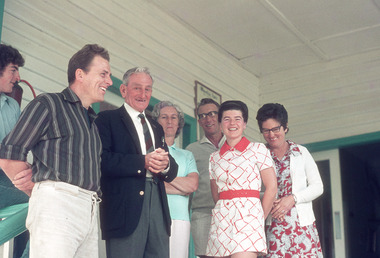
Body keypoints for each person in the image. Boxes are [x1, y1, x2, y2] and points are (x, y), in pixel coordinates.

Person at [0, 44, 112, 258]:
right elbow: (9, 154)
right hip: (57, 205)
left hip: (89, 209)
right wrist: (35, 188)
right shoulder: (49, 103)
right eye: (103, 74)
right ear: (80, 74)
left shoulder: (92, 122)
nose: (109, 82)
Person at [95, 67, 178, 258]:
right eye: (137, 88)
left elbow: (172, 169)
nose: (143, 94)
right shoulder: (107, 119)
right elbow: (102, 161)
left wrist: (165, 164)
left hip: (157, 203)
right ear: (124, 90)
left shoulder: (156, 127)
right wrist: (143, 162)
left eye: (148, 89)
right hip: (125, 207)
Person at [206, 100, 277, 258]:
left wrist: (258, 218)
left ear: (244, 123)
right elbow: (216, 194)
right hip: (221, 221)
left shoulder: (258, 149)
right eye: (226, 119)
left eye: (237, 119)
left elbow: (271, 188)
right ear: (220, 124)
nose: (232, 123)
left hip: (249, 221)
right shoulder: (214, 158)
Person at [256, 103, 324, 257]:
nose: (271, 135)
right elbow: (252, 190)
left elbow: (318, 186)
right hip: (272, 227)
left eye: (275, 129)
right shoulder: (259, 155)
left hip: (301, 227)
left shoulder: (301, 152)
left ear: (285, 127)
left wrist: (292, 199)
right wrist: (272, 201)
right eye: (266, 130)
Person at [152, 100, 199, 258]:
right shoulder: (151, 152)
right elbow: (146, 184)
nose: (169, 121)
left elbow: (192, 185)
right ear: (156, 122)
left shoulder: (186, 155)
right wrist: (180, 187)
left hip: (180, 219)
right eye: (164, 117)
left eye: (173, 117)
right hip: (153, 215)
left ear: (179, 124)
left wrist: (161, 179)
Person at [0, 44, 30, 258]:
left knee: (40, 200)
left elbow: (20, 148)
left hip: (7, 177)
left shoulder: (12, 106)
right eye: (13, 69)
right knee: (36, 202)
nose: (17, 76)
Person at [186, 98, 225, 258]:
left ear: (221, 116)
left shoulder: (235, 145)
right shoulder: (191, 150)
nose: (207, 119)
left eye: (212, 114)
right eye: (202, 116)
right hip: (202, 213)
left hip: (231, 213)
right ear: (199, 121)